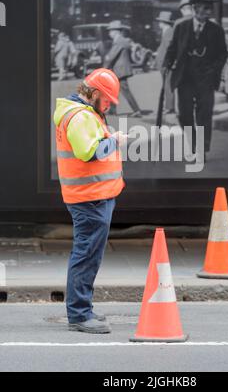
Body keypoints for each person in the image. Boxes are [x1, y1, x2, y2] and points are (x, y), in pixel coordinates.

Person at [53, 68, 127, 334]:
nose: (108, 104)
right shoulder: (81, 116)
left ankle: (82, 309)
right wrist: (115, 140)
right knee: (86, 255)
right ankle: (80, 314)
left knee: (88, 254)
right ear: (94, 93)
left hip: (94, 196)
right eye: (106, 99)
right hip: (90, 199)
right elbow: (90, 152)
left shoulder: (82, 113)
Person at [163, 0, 228, 160]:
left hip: (206, 79)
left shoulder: (216, 30)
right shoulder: (181, 27)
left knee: (204, 115)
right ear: (195, 9)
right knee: (183, 114)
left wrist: (214, 70)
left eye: (210, 9)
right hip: (185, 78)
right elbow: (172, 49)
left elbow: (223, 54)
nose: (209, 12)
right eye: (206, 8)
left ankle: (201, 149)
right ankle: (193, 143)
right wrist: (167, 63)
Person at [105, 20, 142, 118]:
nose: (109, 33)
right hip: (121, 69)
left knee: (125, 90)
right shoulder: (124, 40)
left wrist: (104, 68)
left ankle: (137, 110)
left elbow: (111, 56)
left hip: (120, 70)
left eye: (110, 31)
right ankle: (112, 110)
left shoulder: (119, 41)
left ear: (116, 31)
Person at [155, 11, 175, 114]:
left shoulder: (168, 31)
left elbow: (168, 48)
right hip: (164, 62)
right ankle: (168, 106)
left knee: (168, 84)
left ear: (163, 22)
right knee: (166, 84)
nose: (158, 24)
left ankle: (169, 107)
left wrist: (166, 62)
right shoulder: (167, 31)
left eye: (159, 21)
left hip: (165, 63)